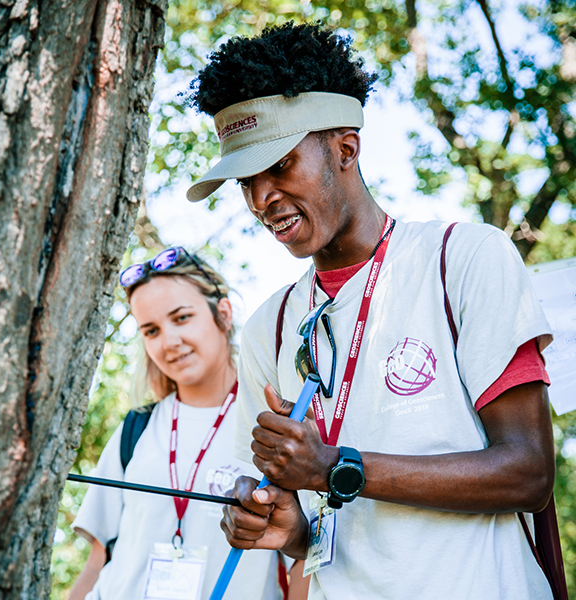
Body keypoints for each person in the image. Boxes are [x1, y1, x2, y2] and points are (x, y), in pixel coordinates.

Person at [184, 22, 556, 600]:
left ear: (345, 148)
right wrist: (286, 528)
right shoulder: (270, 327)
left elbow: (529, 471)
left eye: (279, 165)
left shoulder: (463, 259)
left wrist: (334, 466)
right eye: (246, 181)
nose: (261, 198)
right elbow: (317, 528)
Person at [69, 247, 295, 600]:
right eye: (151, 330)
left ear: (223, 314)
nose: (169, 342)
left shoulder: (272, 428)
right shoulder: (136, 429)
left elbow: (303, 563)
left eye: (181, 318)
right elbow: (99, 559)